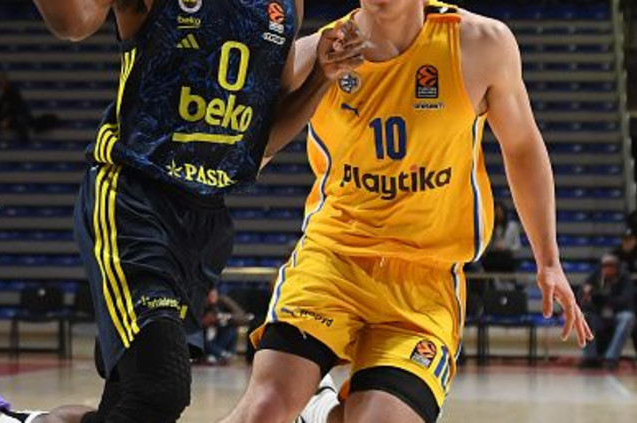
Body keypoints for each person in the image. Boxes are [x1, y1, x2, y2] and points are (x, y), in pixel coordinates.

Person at [0, 1, 365, 423]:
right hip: (135, 202)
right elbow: (73, 22)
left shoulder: (285, 5)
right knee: (160, 389)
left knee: (133, 407)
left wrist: (320, 78)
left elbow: (258, 142)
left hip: (205, 221)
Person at [220, 2, 592, 423]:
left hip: (425, 280)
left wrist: (549, 260)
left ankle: (321, 412)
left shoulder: (479, 44)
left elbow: (522, 146)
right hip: (332, 260)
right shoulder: (315, 52)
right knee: (265, 407)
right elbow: (250, 155)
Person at [579, 254, 634, 370]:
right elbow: (582, 297)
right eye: (604, 266)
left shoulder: (625, 279)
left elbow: (626, 300)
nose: (607, 269)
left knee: (628, 317)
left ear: (617, 267)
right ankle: (590, 358)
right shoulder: (595, 278)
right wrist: (589, 296)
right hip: (598, 314)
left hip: (616, 314)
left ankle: (611, 357)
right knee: (584, 317)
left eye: (611, 266)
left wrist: (606, 299)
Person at [202, 288, 252, 365]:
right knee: (198, 337)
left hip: (221, 334)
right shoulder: (201, 303)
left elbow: (243, 317)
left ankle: (225, 354)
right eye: (209, 295)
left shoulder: (223, 300)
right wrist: (204, 321)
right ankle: (222, 354)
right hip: (206, 336)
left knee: (233, 329)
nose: (211, 297)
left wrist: (225, 317)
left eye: (213, 294)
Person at [0, 72, 31, 143]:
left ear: (6, 83)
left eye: (2, 82)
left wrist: (7, 120)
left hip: (12, 117)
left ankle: (25, 142)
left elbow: (16, 109)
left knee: (21, 121)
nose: (0, 85)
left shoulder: (14, 92)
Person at [481, 201, 522, 273]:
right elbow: (486, 247)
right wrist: (494, 247)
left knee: (507, 260)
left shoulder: (512, 226)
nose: (498, 214)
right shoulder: (490, 227)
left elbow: (517, 246)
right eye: (497, 212)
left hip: (507, 256)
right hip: (493, 256)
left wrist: (505, 247)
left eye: (500, 212)